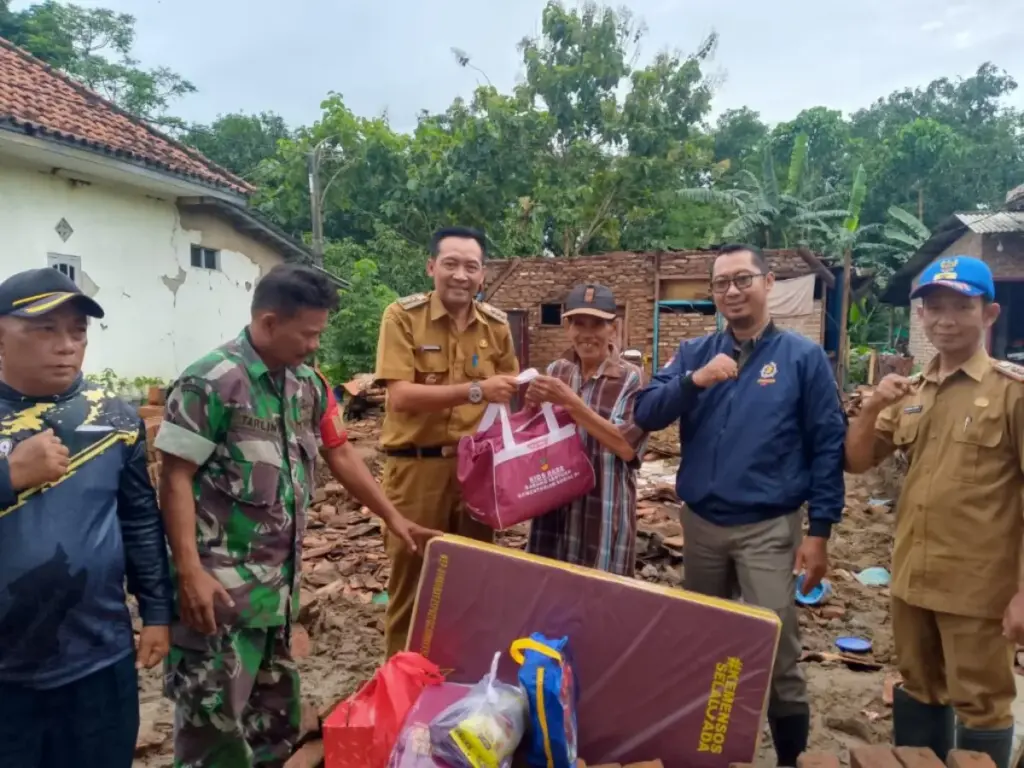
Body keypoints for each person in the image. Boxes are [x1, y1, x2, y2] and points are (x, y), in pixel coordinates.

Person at [156, 264, 438, 767]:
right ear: (268, 323)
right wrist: (189, 572)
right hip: (219, 593)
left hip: (278, 593)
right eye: (308, 334)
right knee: (213, 731)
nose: (314, 345)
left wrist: (393, 518)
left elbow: (341, 453)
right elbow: (174, 477)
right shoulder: (213, 381)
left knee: (275, 725)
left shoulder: (307, 384)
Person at [633, 243, 846, 768]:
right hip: (701, 526)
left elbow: (827, 444)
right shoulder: (694, 355)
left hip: (768, 530)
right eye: (721, 283)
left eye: (742, 279)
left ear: (768, 282)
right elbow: (646, 410)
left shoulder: (802, 359)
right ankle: (713, 751)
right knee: (709, 644)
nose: (732, 290)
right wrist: (693, 381)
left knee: (776, 649)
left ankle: (790, 757)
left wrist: (819, 531)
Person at [845, 256, 1023, 768]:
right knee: (919, 687)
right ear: (920, 316)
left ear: (988, 314)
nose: (944, 318)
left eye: (960, 307)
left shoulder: (1011, 393)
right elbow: (857, 462)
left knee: (982, 704)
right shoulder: (910, 394)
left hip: (978, 588)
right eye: (933, 307)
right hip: (911, 578)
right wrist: (873, 406)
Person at [0, 268, 173, 768]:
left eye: (77, 332)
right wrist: (8, 476)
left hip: (96, 657)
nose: (66, 346)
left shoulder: (113, 418)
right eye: (45, 330)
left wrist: (157, 611)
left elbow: (139, 519)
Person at [375, 226, 520, 658]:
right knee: (412, 582)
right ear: (431, 267)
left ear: (483, 274)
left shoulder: (495, 326)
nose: (460, 275)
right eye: (451, 264)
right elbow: (400, 396)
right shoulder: (402, 317)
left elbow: (508, 388)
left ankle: (464, 683)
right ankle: (401, 686)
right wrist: (475, 390)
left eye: (471, 267)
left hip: (476, 472)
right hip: (417, 471)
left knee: (474, 581)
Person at [524, 283, 648, 575]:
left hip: (603, 511)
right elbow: (537, 435)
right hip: (555, 510)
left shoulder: (633, 379)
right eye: (579, 323)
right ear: (567, 327)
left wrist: (571, 403)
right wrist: (529, 405)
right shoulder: (557, 371)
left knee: (601, 605)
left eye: (598, 324)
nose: (587, 333)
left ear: (614, 329)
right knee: (548, 595)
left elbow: (626, 446)